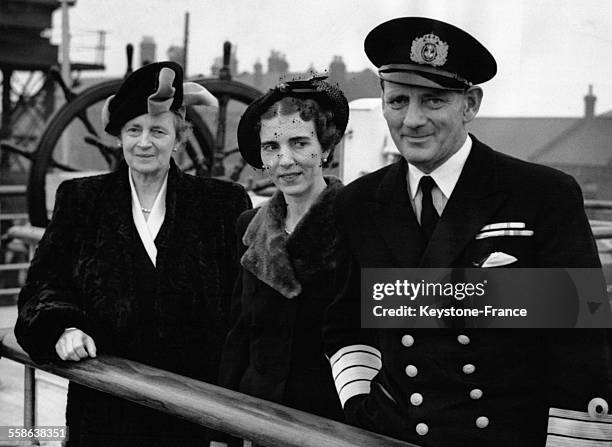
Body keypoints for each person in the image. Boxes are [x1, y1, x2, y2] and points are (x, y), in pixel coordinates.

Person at [323, 17, 612, 447]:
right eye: (398, 100)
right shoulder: (358, 203)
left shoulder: (541, 195)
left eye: (434, 101)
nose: (412, 120)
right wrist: (362, 402)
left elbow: (580, 342)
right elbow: (345, 320)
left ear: (470, 104)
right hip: (391, 434)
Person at [15, 61, 251, 446]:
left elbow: (242, 311)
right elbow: (42, 287)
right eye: (133, 130)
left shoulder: (221, 205)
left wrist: (229, 423)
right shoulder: (81, 200)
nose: (145, 142)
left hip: (193, 416)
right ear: (119, 138)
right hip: (104, 411)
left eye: (158, 131)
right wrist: (62, 327)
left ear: (178, 138)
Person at [218, 77, 348, 425]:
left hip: (329, 425)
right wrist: (221, 426)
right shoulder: (249, 225)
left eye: (299, 143)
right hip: (255, 418)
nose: (285, 160)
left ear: (325, 148)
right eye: (271, 147)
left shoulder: (358, 224)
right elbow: (239, 333)